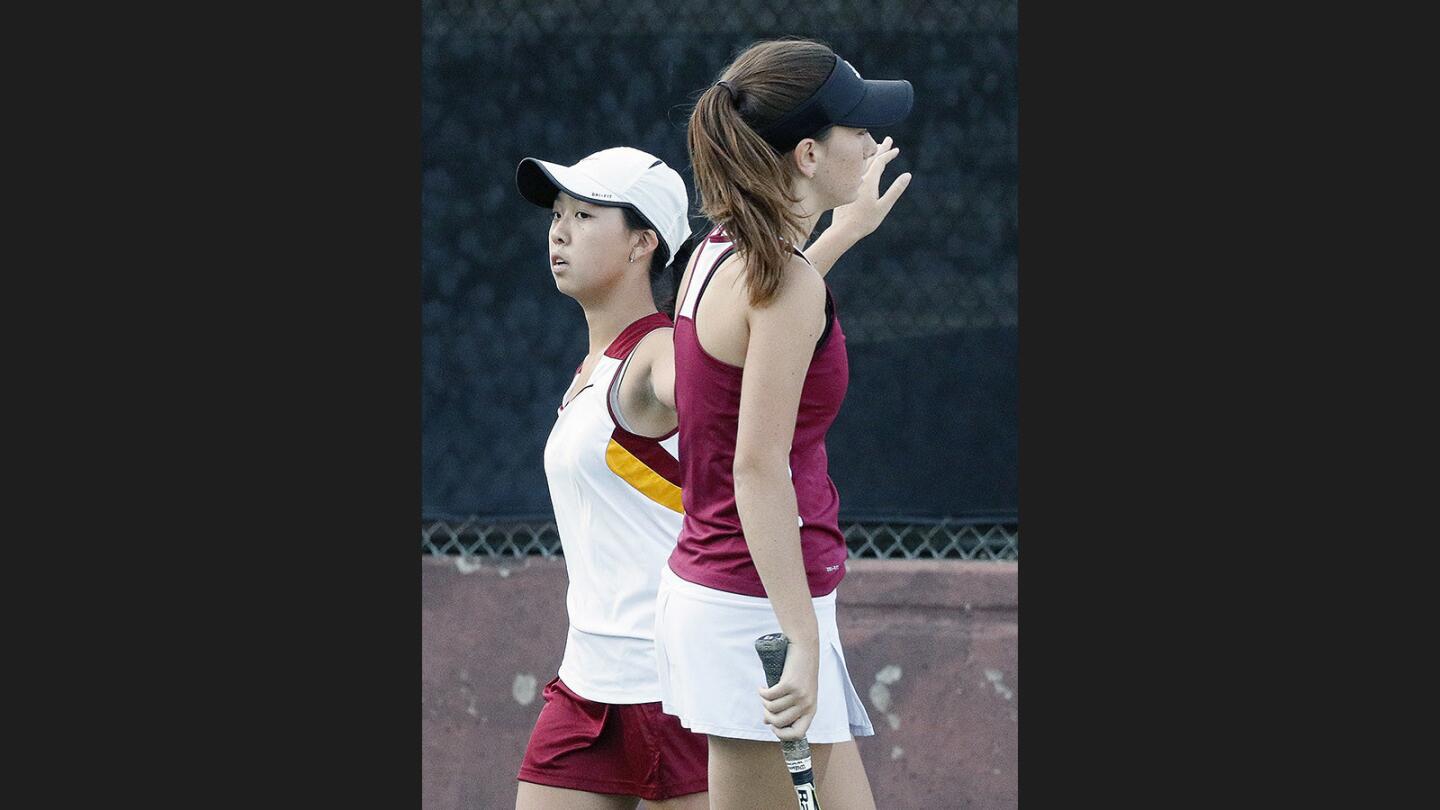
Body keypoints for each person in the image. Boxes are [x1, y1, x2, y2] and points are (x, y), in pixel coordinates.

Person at [653, 38, 914, 810]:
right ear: (807, 153)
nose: (870, 142)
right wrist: (799, 640)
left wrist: (843, 234)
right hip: (756, 613)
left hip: (749, 596)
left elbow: (766, 323)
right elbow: (755, 466)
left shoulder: (722, 255)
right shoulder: (782, 279)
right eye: (856, 129)